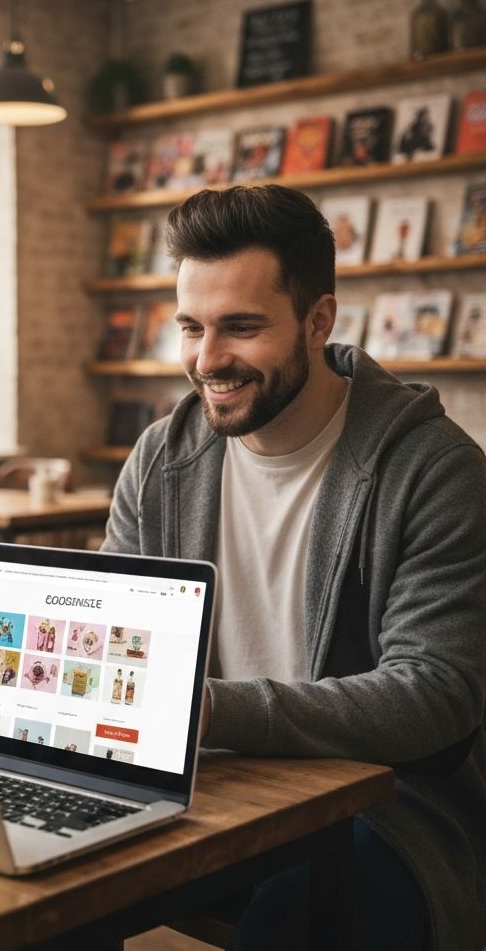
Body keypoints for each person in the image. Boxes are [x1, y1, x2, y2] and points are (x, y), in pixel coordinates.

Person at [102, 185, 486, 951]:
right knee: (24, 883)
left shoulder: (435, 469)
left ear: (319, 322)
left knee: (298, 921)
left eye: (240, 328)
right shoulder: (160, 460)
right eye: (191, 328)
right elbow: (120, 633)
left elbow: (435, 697)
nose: (208, 361)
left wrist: (209, 709)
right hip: (205, 789)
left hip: (387, 808)